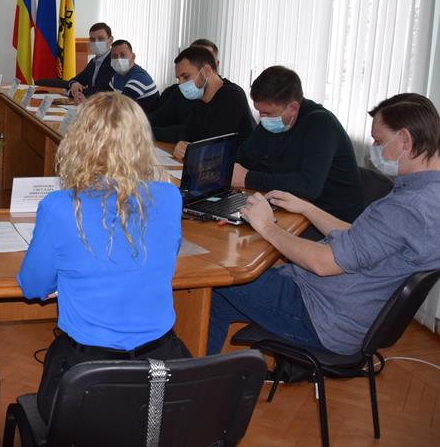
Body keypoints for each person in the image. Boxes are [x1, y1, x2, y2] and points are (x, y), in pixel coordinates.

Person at [207, 93, 440, 357]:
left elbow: (323, 263)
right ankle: (198, 377)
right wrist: (307, 208)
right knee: (218, 299)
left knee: (216, 280)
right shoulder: (427, 195)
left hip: (324, 315)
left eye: (379, 141)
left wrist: (268, 226)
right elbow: (360, 240)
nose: (374, 150)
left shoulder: (408, 207)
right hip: (342, 306)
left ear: (405, 140)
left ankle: (190, 376)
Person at [18, 92, 191, 422]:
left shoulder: (59, 207)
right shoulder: (170, 197)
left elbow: (32, 286)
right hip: (162, 376)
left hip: (87, 379)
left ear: (78, 142)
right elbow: (166, 252)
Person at [232, 66, 365, 226]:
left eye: (267, 113)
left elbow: (309, 186)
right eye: (260, 112)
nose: (263, 118)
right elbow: (244, 157)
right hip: (295, 208)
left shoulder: (321, 124)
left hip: (334, 221)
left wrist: (247, 178)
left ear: (293, 108)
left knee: (262, 235)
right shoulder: (273, 123)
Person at [172, 45, 254, 159]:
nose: (180, 84)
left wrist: (190, 148)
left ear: (206, 71)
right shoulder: (200, 98)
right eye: (178, 78)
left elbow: (213, 148)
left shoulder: (231, 96)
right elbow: (186, 133)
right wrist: (181, 145)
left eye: (185, 76)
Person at [148, 38, 220, 142]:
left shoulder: (227, 95)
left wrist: (148, 132)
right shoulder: (182, 90)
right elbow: (159, 117)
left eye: (186, 76)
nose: (181, 83)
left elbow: (194, 134)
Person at [67, 22, 114, 103]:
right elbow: (75, 80)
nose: (96, 43)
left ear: (110, 40)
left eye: (100, 39)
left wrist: (73, 92)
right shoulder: (93, 62)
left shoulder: (114, 62)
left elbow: (99, 92)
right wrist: (74, 84)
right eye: (92, 40)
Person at [108, 39, 160, 112]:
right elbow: (107, 100)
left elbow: (120, 106)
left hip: (145, 118)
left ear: (133, 56)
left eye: (123, 55)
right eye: (114, 56)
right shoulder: (116, 76)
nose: (118, 59)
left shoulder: (139, 77)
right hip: (129, 115)